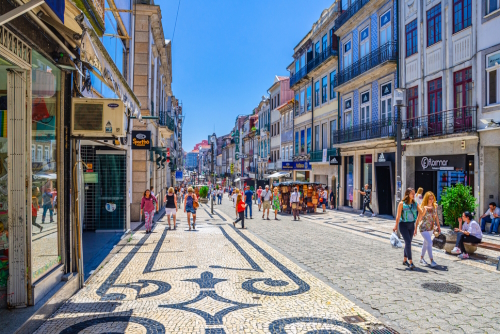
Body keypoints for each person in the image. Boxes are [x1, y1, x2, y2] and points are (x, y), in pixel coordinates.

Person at [393, 188, 422, 270]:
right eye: (412, 193)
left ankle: (404, 260)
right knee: (408, 242)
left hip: (411, 225)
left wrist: (425, 207)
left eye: (414, 193)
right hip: (403, 225)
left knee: (408, 243)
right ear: (408, 194)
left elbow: (421, 212)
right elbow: (398, 216)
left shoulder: (415, 204)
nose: (414, 194)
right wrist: (395, 226)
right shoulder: (402, 204)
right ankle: (410, 262)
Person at [414, 191, 440, 267]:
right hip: (424, 228)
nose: (431, 200)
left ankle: (421, 258)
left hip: (431, 228)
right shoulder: (424, 208)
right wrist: (415, 228)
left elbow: (436, 217)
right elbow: (418, 219)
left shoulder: (435, 207)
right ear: (426, 199)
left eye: (432, 198)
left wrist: (438, 226)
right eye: (430, 199)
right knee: (429, 242)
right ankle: (432, 260)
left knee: (425, 243)